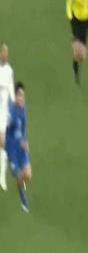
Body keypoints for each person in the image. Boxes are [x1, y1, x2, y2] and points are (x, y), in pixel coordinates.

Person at [5, 82, 32, 212]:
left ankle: (20, 186)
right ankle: (22, 194)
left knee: (28, 175)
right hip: (12, 148)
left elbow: (23, 127)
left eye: (23, 96)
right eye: (19, 95)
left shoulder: (23, 108)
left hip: (21, 146)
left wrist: (24, 141)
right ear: (15, 96)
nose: (22, 98)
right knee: (18, 174)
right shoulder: (9, 113)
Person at [0, 43, 14, 191]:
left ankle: (2, 176)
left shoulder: (10, 70)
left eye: (6, 52)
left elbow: (11, 89)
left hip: (4, 111)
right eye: (3, 51)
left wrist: (14, 107)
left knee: (3, 142)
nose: (5, 54)